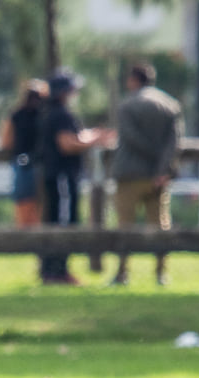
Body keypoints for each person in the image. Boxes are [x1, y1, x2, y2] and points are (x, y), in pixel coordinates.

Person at [110, 62, 183, 286]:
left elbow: (131, 138)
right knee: (160, 224)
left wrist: (153, 159)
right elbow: (174, 142)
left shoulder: (127, 105)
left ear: (134, 80)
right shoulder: (170, 105)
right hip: (158, 177)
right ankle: (161, 273)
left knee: (125, 225)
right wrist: (163, 169)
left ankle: (122, 273)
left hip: (130, 174)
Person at [39, 68, 114, 285]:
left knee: (61, 219)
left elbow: (74, 136)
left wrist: (91, 136)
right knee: (63, 222)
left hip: (59, 175)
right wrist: (95, 141)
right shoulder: (60, 113)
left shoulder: (54, 112)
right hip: (62, 176)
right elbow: (67, 144)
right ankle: (57, 270)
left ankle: (55, 269)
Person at [0, 78, 47, 228]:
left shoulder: (16, 115)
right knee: (41, 206)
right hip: (43, 164)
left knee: (24, 205)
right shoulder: (46, 114)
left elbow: (6, 142)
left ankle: (24, 239)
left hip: (23, 164)